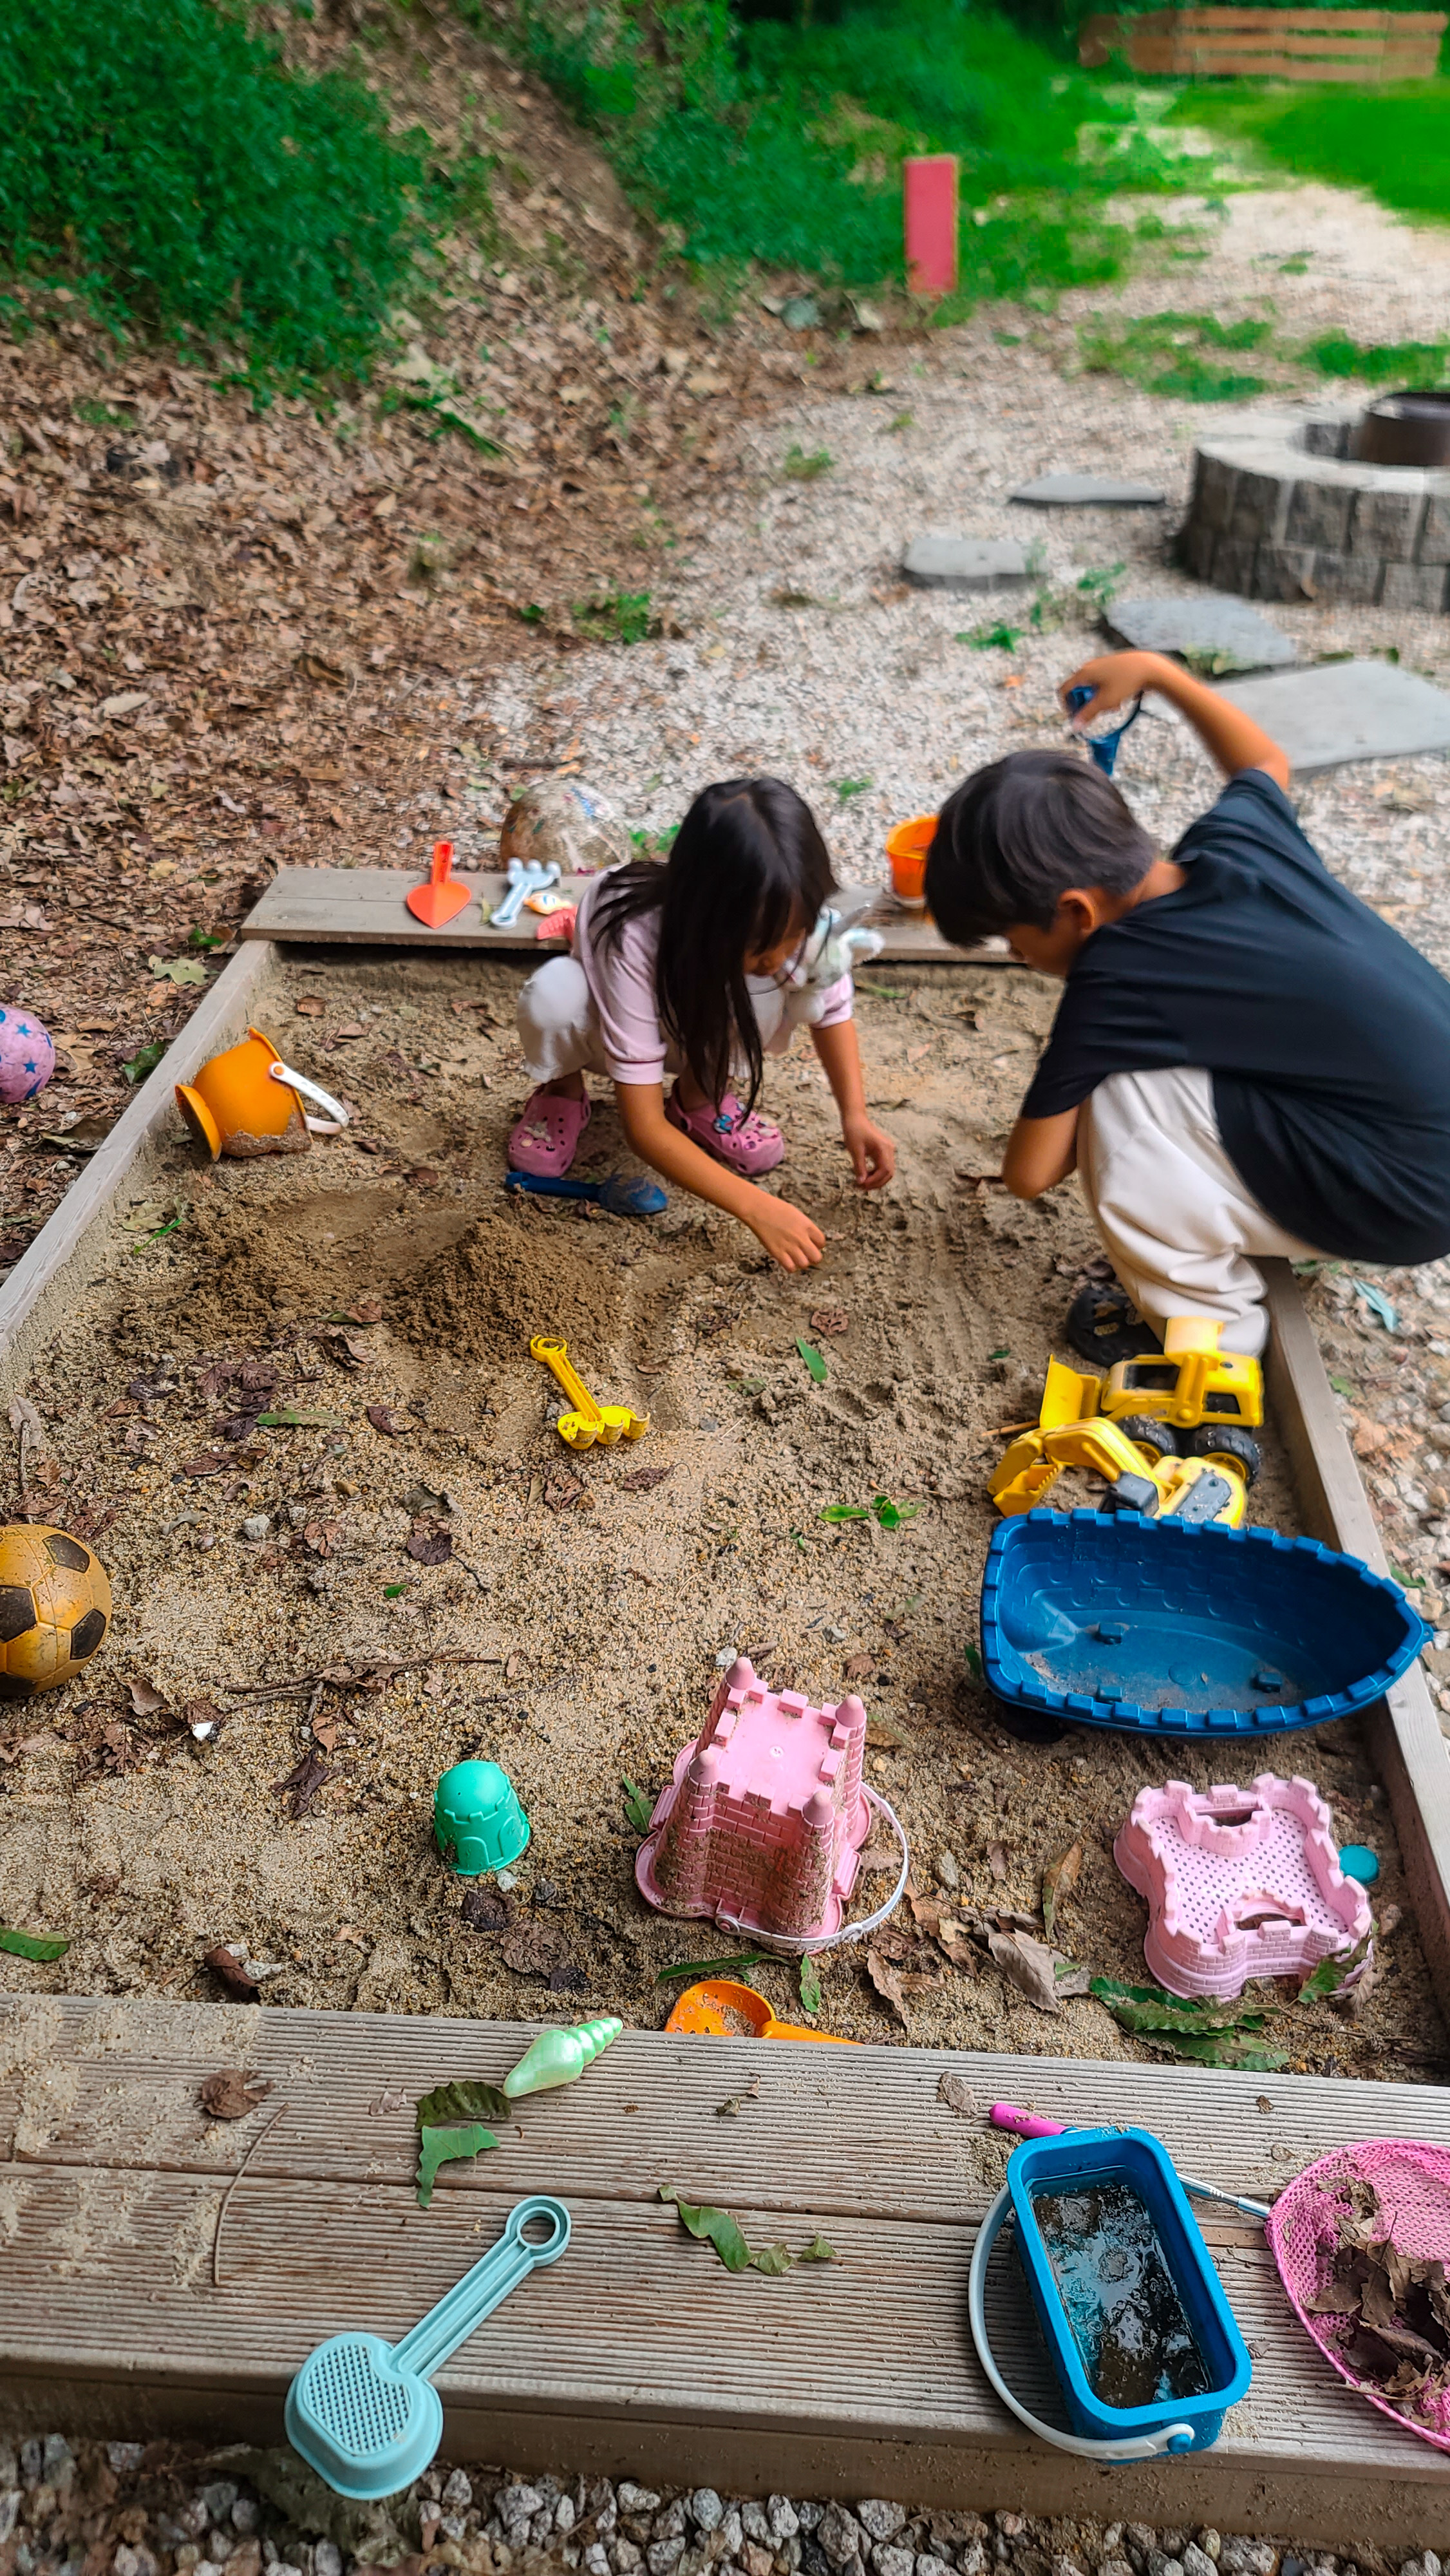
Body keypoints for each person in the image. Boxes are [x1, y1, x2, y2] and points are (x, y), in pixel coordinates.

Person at [923, 647, 1450, 1357]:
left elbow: (1028, 1173)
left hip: (1403, 1197)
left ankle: (1212, 1340)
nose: (1015, 957)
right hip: (1414, 1145)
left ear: (1076, 911)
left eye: (1012, 939)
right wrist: (1159, 673)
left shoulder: (1117, 977)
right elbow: (1263, 759)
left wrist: (1081, 1068)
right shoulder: (1235, 844)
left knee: (1121, 1106)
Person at [507, 775, 896, 1273]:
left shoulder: (788, 909)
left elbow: (833, 1008)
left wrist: (855, 1115)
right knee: (554, 996)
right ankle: (562, 1093)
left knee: (758, 985)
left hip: (692, 1019)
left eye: (794, 935)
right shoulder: (630, 930)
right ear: (705, 918)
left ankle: (699, 1099)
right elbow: (641, 1128)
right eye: (763, 943)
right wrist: (756, 1207)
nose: (783, 956)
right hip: (607, 1029)